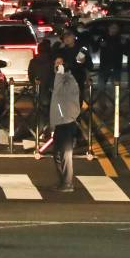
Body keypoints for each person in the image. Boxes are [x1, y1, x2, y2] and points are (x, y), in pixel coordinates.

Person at [49, 56, 82, 192]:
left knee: (65, 154)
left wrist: (61, 73)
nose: (57, 66)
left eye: (60, 63)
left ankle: (68, 183)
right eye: (56, 63)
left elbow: (59, 90)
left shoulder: (68, 79)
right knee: (57, 153)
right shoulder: (60, 79)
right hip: (59, 122)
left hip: (66, 122)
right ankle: (63, 181)